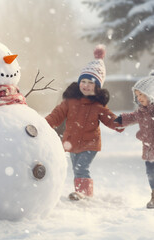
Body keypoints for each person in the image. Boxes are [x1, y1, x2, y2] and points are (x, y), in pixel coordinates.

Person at [45, 45, 122, 201]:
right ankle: (80, 193)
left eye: (91, 83)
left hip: (90, 143)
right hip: (72, 142)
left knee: (81, 168)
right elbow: (57, 115)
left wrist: (120, 122)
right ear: (79, 82)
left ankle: (83, 194)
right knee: (76, 169)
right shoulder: (70, 101)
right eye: (84, 81)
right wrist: (44, 124)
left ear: (97, 87)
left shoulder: (98, 106)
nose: (86, 85)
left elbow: (109, 118)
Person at [115, 71, 154, 209]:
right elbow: (132, 117)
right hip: (149, 149)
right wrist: (121, 119)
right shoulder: (141, 111)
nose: (139, 98)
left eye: (142, 94)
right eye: (137, 95)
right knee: (150, 174)